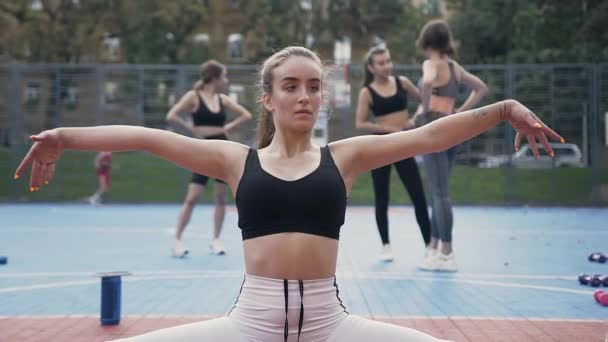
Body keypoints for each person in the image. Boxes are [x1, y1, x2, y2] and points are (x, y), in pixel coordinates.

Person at [15, 46, 562, 342]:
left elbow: (430, 134)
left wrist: (506, 109)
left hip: (331, 324)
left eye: (314, 86)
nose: (305, 96)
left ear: (323, 99)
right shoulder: (235, 159)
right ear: (268, 99)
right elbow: (147, 138)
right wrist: (64, 137)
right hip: (248, 325)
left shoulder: (345, 156)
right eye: (291, 86)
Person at [413, 19, 489, 272]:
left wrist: (424, 111)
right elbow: (481, 88)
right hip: (452, 129)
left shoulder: (430, 64)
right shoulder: (455, 68)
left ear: (426, 41)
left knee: (440, 193)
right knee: (439, 192)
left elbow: (426, 83)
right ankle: (434, 248)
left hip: (435, 129)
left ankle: (447, 252)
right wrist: (459, 113)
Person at [165, 60, 252, 257]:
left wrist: (226, 129)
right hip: (202, 149)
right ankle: (178, 239)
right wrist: (191, 129)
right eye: (224, 76)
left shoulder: (222, 100)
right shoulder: (193, 97)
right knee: (192, 197)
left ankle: (216, 240)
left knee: (221, 197)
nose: (226, 80)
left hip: (222, 148)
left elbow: (245, 115)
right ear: (214, 77)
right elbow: (172, 115)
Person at [355, 45, 431, 262]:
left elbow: (424, 103)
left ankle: (429, 245)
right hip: (380, 149)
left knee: (417, 194)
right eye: (381, 63)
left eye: (388, 61)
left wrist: (414, 119)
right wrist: (389, 130)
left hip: (404, 145)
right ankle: (386, 245)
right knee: (382, 197)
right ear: (371, 67)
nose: (387, 65)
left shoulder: (403, 83)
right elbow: (360, 123)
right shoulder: (366, 92)